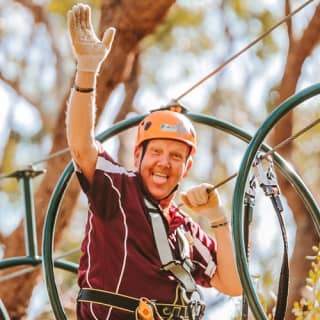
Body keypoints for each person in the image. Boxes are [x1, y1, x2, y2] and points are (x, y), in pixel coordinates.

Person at [66, 3, 242, 320]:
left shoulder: (184, 230)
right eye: (156, 152)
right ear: (138, 156)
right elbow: (81, 146)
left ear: (186, 168)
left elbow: (232, 284)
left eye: (176, 156)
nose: (164, 163)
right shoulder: (116, 189)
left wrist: (217, 216)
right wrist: (87, 70)